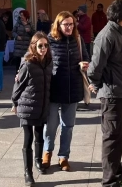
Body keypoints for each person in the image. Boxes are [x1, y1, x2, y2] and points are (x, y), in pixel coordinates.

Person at [88, 0, 122, 187]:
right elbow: (95, 66)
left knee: (118, 135)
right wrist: (95, 83)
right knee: (111, 137)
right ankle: (109, 182)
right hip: (112, 94)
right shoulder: (107, 34)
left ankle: (117, 175)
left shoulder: (121, 32)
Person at [43, 11, 89, 172]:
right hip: (54, 89)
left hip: (73, 88)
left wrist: (85, 64)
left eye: (71, 24)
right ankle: (47, 152)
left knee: (68, 126)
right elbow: (36, 57)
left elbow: (86, 57)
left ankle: (64, 156)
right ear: (58, 25)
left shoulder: (77, 39)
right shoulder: (49, 41)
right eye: (66, 24)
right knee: (51, 125)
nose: (69, 27)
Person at [12, 32, 53, 186]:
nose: (43, 48)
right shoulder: (28, 63)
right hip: (27, 107)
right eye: (40, 45)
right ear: (34, 46)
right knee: (28, 139)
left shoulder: (49, 62)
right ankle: (27, 173)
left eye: (46, 45)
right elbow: (19, 85)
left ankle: (38, 161)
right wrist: (14, 102)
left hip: (42, 106)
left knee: (39, 136)